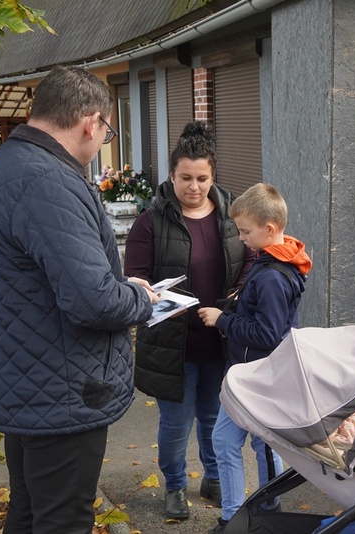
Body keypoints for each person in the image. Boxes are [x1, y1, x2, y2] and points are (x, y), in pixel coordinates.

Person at [0, 65, 158, 534]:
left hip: (27, 380)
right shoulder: (47, 181)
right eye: (106, 130)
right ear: (91, 122)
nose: (101, 141)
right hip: (61, 390)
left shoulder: (3, 165)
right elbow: (96, 302)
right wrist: (140, 298)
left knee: (29, 513)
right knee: (63, 519)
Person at [124, 121, 253, 519]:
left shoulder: (233, 217)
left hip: (220, 339)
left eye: (201, 178)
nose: (193, 186)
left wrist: (238, 293)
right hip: (171, 343)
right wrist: (151, 292)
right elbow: (134, 277)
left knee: (215, 417)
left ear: (213, 175)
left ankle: (213, 478)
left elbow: (252, 259)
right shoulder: (151, 221)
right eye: (185, 178)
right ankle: (175, 487)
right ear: (171, 175)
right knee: (175, 423)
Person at [197, 182, 312, 534]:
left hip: (257, 377)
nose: (242, 238)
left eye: (245, 231)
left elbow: (267, 334)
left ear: (270, 229)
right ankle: (246, 513)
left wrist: (224, 319)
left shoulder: (273, 277)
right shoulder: (272, 261)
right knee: (232, 441)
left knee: (252, 443)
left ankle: (255, 512)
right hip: (251, 375)